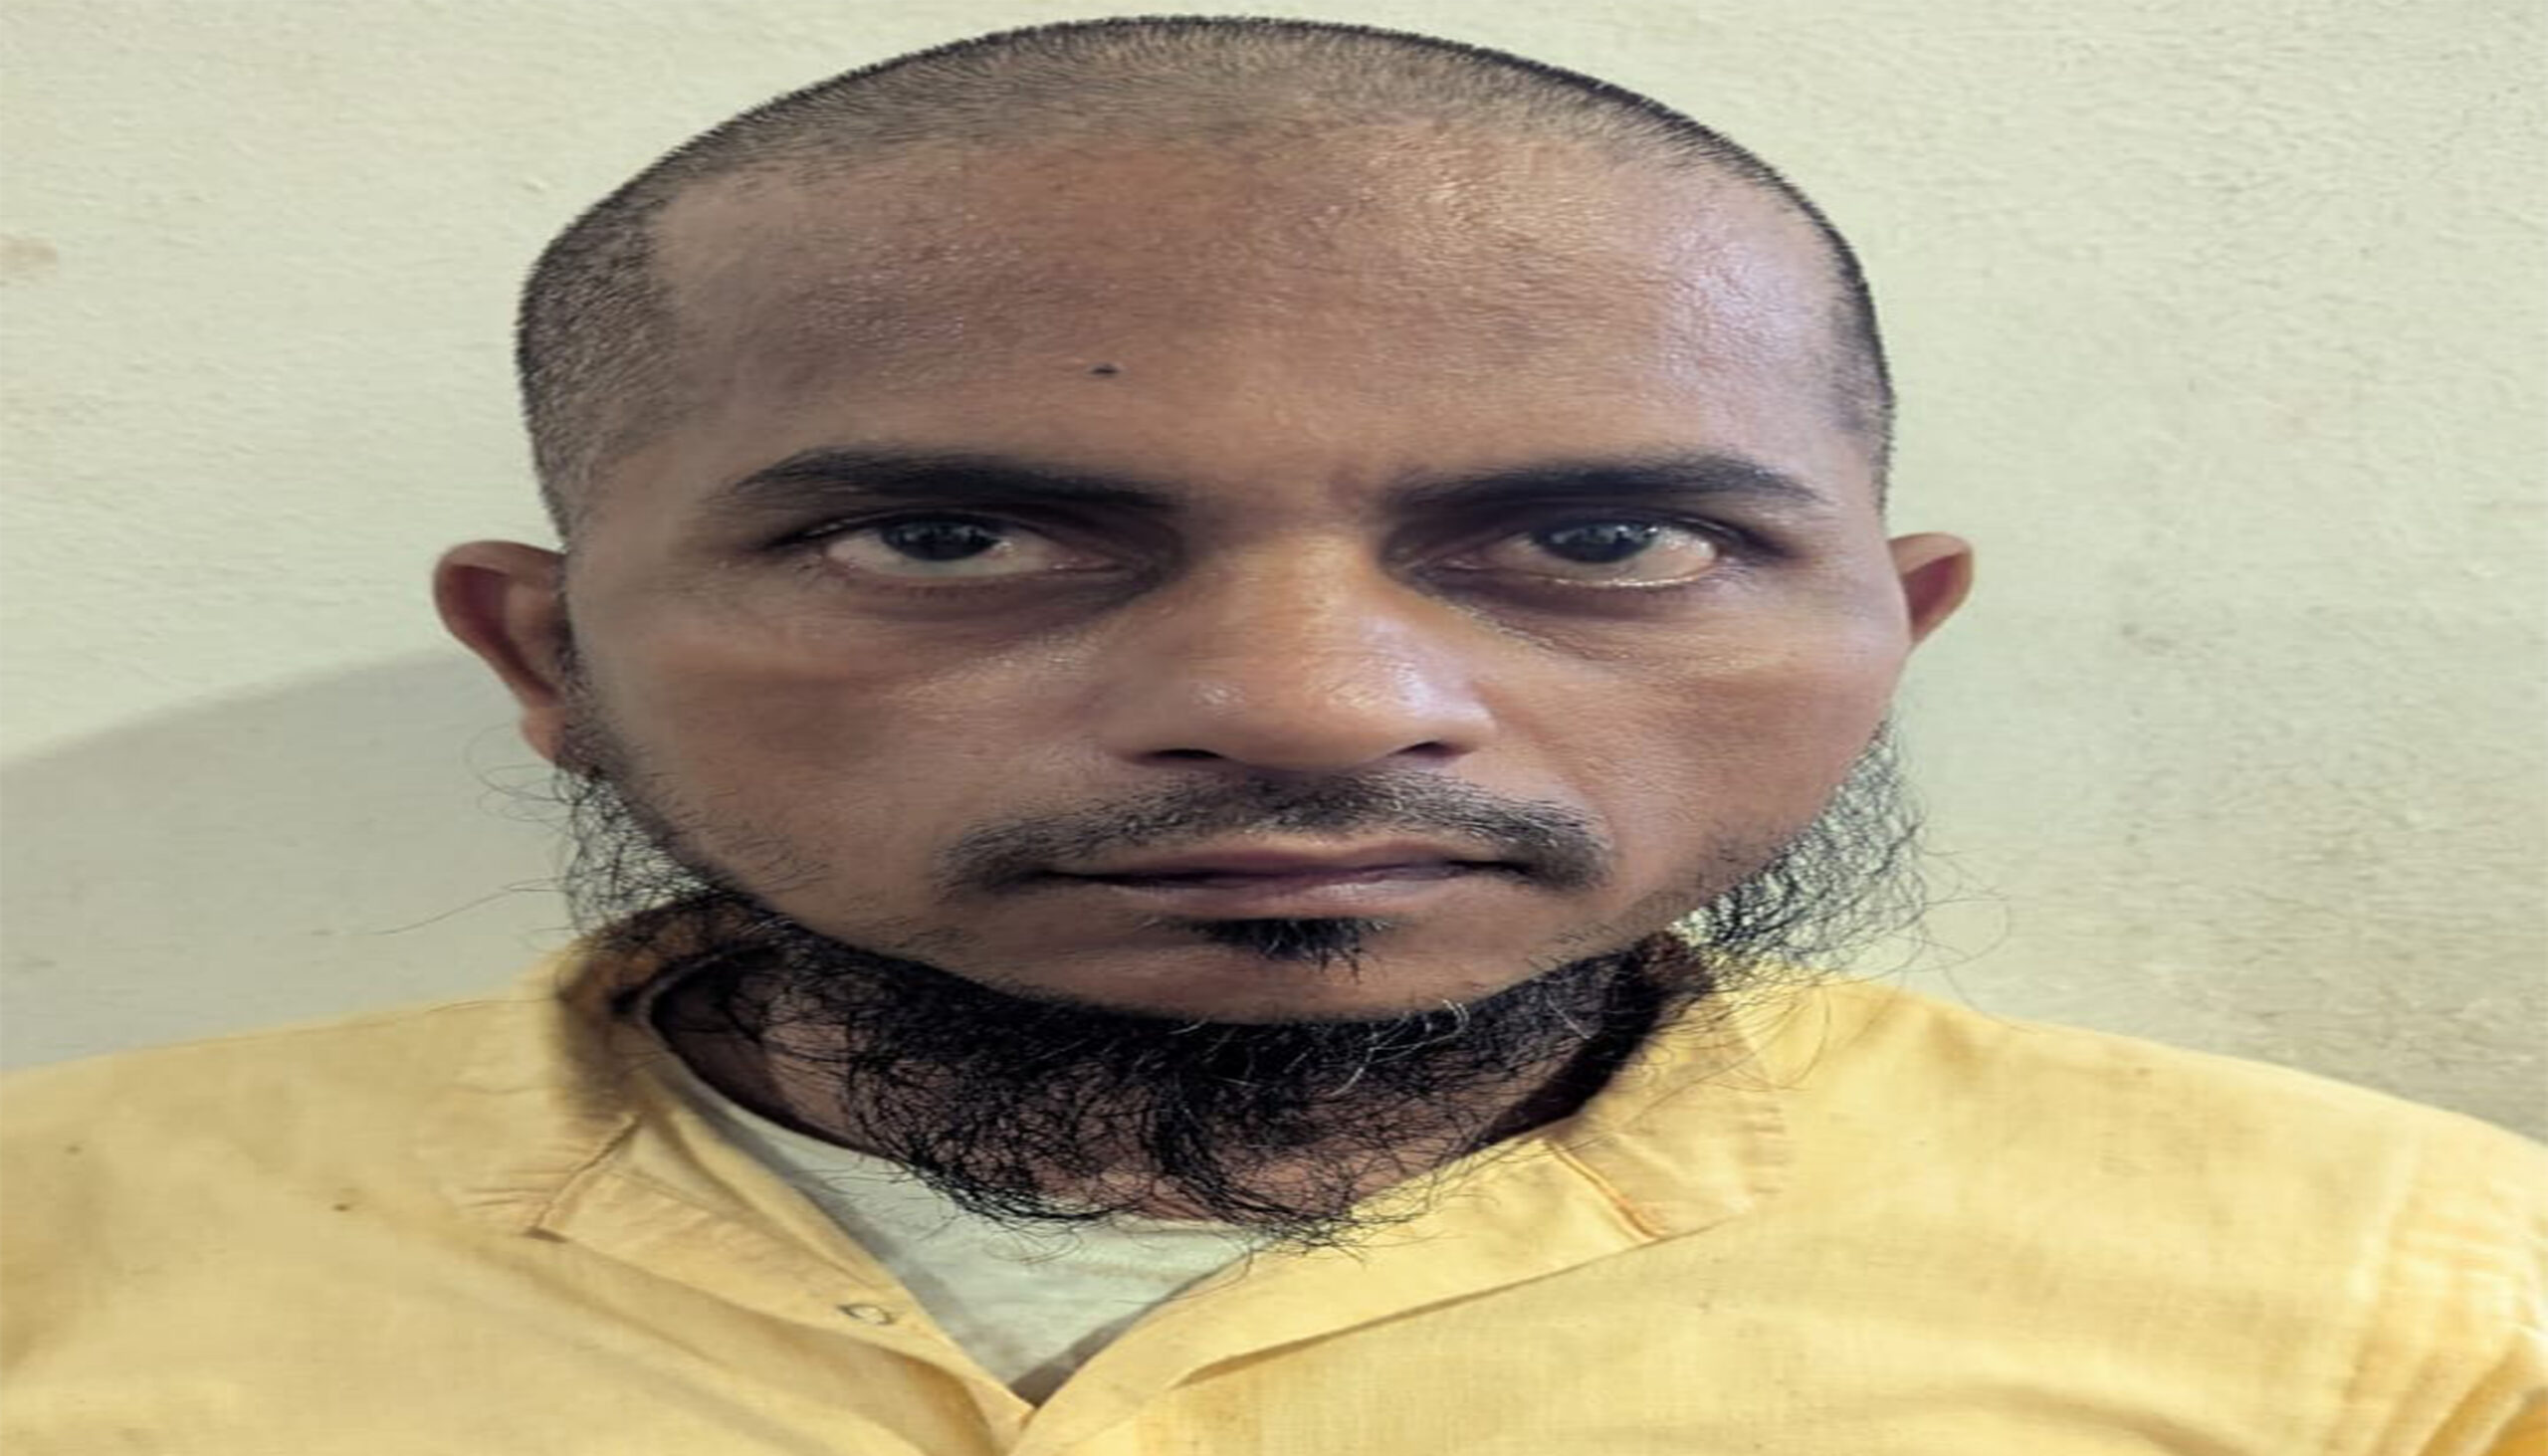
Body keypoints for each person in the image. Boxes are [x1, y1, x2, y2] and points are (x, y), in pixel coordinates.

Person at [3, 16, 2538, 1453]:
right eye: (947, 540)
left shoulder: (2409, 1313)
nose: (1309, 705)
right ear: (548, 657)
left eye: (1600, 539)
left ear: (1892, 627)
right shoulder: (50, 1254)